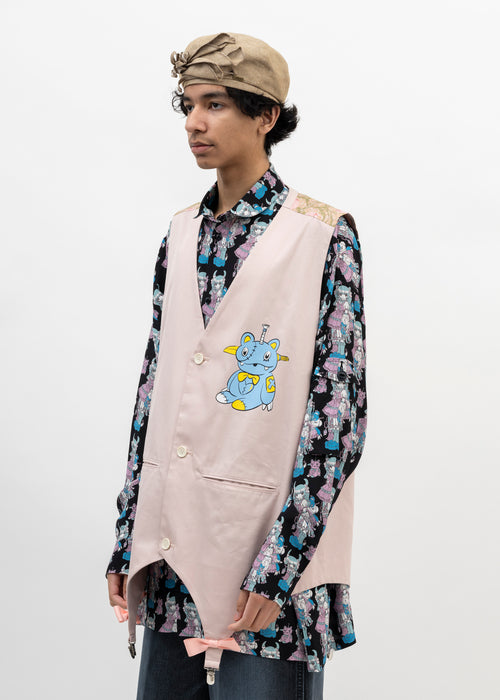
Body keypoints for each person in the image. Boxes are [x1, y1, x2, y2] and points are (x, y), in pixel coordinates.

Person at [106, 32, 367, 700]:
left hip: (268, 579)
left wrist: (280, 567)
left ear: (266, 116)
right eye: (188, 105)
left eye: (215, 104)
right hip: (172, 566)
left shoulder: (322, 234)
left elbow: (338, 419)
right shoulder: (180, 233)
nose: (194, 123)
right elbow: (153, 393)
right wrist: (128, 536)